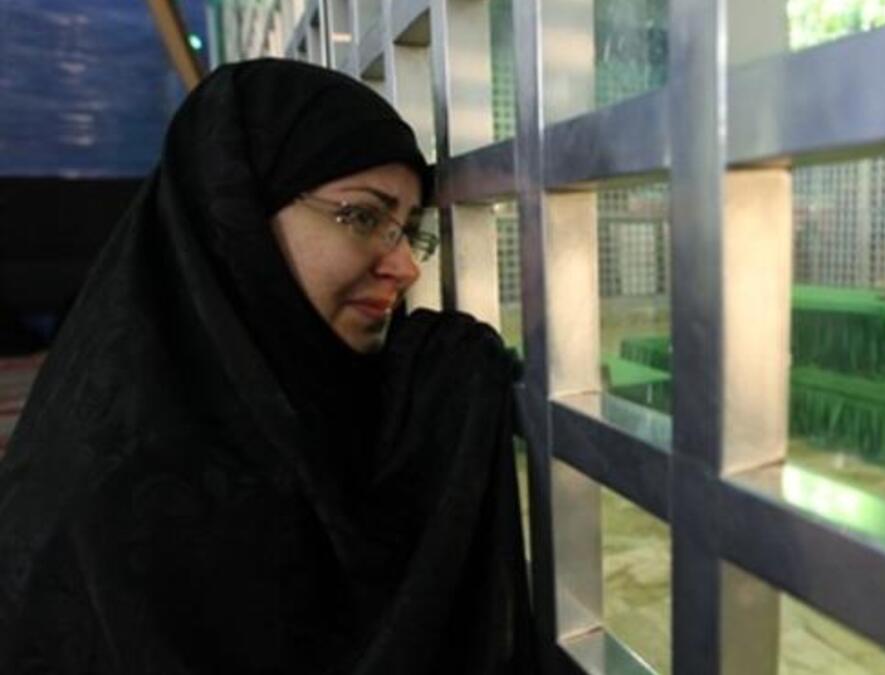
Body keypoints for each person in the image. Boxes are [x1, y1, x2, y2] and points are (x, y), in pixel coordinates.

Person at [0, 58, 535, 673]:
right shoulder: (113, 501)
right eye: (362, 216)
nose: (406, 267)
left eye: (408, 231)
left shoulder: (294, 395)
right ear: (235, 214)